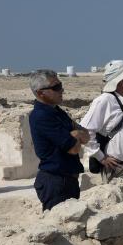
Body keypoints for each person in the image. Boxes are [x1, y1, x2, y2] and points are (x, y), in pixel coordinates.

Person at [28, 69, 87, 211]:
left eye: (60, 85)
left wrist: (76, 133)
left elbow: (86, 135)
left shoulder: (57, 112)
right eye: (56, 87)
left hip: (67, 179)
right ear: (40, 92)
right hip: (55, 181)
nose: (62, 90)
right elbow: (74, 148)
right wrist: (75, 135)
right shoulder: (42, 116)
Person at [80, 62, 123, 183]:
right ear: (119, 81)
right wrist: (101, 157)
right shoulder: (105, 100)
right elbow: (85, 129)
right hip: (118, 168)